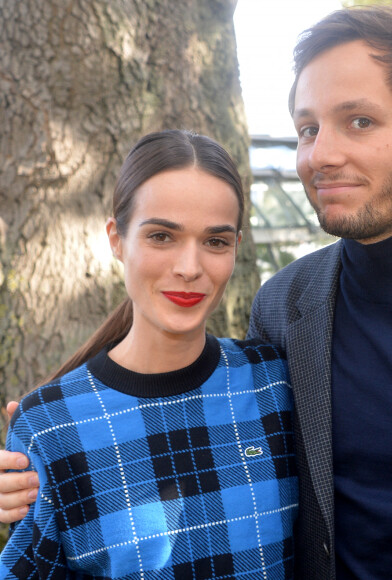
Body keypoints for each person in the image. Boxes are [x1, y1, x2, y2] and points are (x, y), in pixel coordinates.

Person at [1, 4, 392, 579]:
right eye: (309, 128)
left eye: (359, 121)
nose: (320, 155)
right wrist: (42, 456)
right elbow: (203, 430)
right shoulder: (284, 306)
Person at [0, 129, 297, 579]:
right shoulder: (50, 426)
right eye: (162, 236)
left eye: (215, 241)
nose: (189, 267)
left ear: (236, 247)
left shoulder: (275, 381)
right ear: (117, 239)